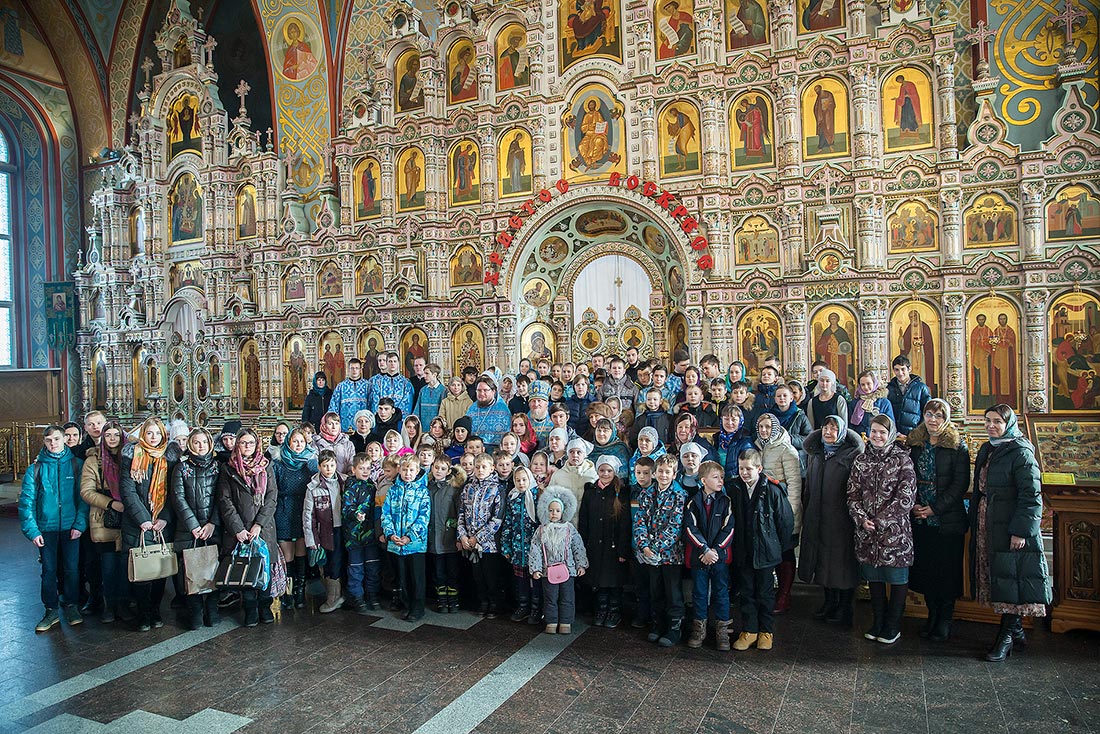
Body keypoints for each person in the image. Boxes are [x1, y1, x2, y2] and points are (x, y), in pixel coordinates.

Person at [971, 404, 1052, 662]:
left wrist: (1020, 532)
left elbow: (1031, 496)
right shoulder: (988, 448)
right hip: (989, 521)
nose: (991, 426)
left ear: (1009, 423)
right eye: (987, 421)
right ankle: (1016, 631)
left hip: (1011, 526)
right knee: (1003, 576)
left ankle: (1005, 638)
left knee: (1012, 577)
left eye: (997, 421)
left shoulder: (1021, 451)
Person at [847, 415, 916, 644]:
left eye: (882, 432)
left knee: (896, 578)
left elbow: (906, 497)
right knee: (874, 579)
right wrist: (861, 518)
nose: (877, 436)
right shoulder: (861, 460)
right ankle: (877, 622)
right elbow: (852, 494)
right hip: (867, 531)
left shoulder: (902, 459)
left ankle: (892, 625)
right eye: (874, 431)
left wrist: (881, 520)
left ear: (890, 434)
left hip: (895, 532)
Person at [906, 398, 969, 642]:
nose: (933, 420)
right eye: (929, 414)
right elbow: (907, 476)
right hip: (919, 516)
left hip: (946, 520)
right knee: (926, 569)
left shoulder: (956, 446)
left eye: (939, 415)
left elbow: (959, 484)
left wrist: (934, 509)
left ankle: (944, 619)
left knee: (946, 571)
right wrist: (913, 503)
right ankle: (931, 614)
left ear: (946, 418)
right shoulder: (915, 443)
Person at [799, 414, 864, 627]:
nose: (829, 432)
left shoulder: (851, 456)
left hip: (841, 518)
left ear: (842, 432)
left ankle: (844, 606)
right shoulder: (816, 454)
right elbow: (809, 486)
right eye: (825, 428)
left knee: (841, 563)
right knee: (822, 561)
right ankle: (829, 601)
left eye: (834, 429)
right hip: (817, 515)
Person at [20, 425, 87, 632]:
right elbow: (27, 502)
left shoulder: (76, 465)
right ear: (44, 442)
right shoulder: (35, 469)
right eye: (49, 440)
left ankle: (72, 605)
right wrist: (33, 531)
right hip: (46, 528)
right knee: (48, 571)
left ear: (64, 439)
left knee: (72, 569)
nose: (53, 443)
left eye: (57, 439)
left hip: (70, 527)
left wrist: (79, 524)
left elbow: (83, 499)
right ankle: (50, 610)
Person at [729, 449, 794, 651]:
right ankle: (749, 630)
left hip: (766, 551)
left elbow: (785, 522)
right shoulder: (734, 488)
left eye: (748, 469)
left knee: (765, 593)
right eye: (741, 468)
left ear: (759, 468)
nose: (744, 473)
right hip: (743, 550)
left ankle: (766, 631)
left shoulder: (773, 490)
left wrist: (777, 547)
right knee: (746, 591)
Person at [120, 417, 181, 631]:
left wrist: (164, 517)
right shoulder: (131, 456)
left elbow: (174, 491)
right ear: (143, 434)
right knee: (142, 569)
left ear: (164, 435)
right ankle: (143, 613)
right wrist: (143, 519)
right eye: (149, 433)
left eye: (157, 433)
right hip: (138, 523)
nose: (153, 437)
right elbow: (127, 490)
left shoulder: (170, 457)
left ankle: (155, 610)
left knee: (159, 569)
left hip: (162, 522)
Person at [218, 428, 278, 627]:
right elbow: (225, 501)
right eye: (243, 443)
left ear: (257, 444)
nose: (247, 446)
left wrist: (259, 524)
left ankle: (265, 606)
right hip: (240, 529)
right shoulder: (228, 469)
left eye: (251, 443)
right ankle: (250, 608)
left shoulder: (266, 466)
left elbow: (272, 497)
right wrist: (238, 529)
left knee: (265, 568)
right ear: (237, 445)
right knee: (245, 568)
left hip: (264, 528)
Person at [169, 427, 222, 629]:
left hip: (212, 527)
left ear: (210, 444)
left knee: (213, 568)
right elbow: (178, 498)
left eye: (204, 442)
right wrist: (193, 525)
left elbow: (222, 497)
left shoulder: (218, 467)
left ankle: (212, 609)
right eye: (197, 442)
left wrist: (212, 523)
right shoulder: (181, 468)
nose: (201, 446)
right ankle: (195, 611)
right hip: (188, 528)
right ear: (190, 444)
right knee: (190, 569)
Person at [633, 454, 688, 647]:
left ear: (674, 474)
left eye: (668, 472)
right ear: (654, 473)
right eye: (660, 471)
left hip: (671, 555)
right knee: (655, 591)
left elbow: (675, 526)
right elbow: (639, 521)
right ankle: (658, 624)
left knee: (673, 593)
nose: (663, 475)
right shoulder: (646, 494)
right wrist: (645, 547)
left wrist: (655, 547)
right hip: (650, 554)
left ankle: (674, 628)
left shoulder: (679, 495)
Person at [79, 420, 130, 623]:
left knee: (126, 566)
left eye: (116, 435)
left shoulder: (129, 456)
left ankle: (124, 604)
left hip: (128, 518)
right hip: (104, 518)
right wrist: (110, 503)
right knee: (108, 567)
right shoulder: (93, 461)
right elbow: (86, 491)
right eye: (108, 435)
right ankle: (110, 605)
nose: (112, 439)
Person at [684, 461, 735, 650]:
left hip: (719, 557)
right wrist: (704, 549)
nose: (720, 480)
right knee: (699, 593)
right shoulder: (693, 502)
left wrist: (715, 551)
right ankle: (699, 629)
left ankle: (722, 631)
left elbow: (729, 529)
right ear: (704, 480)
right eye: (716, 477)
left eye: (722, 477)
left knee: (721, 592)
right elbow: (690, 528)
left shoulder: (726, 501)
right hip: (700, 557)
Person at [755, 413, 802, 614]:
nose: (764, 430)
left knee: (785, 552)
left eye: (768, 427)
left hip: (783, 509)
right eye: (761, 427)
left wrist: (789, 513)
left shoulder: (786, 449)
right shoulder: (757, 447)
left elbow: (794, 484)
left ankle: (784, 594)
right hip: (765, 510)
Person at [578, 455, 631, 628]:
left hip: (613, 547)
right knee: (599, 580)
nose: (605, 473)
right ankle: (601, 610)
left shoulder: (621, 493)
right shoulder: (590, 492)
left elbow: (625, 524)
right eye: (602, 470)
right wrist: (583, 545)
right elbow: (584, 521)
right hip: (595, 545)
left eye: (609, 470)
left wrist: (623, 550)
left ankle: (614, 611)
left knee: (614, 582)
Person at [529, 486, 589, 635]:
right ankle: (551, 621)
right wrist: (536, 568)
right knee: (550, 597)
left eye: (557, 510)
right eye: (551, 510)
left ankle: (565, 622)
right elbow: (535, 549)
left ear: (563, 511)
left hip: (568, 569)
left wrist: (581, 565)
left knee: (567, 597)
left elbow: (578, 547)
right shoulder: (541, 530)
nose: (554, 513)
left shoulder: (569, 529)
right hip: (547, 570)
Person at [381, 455, 432, 622]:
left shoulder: (422, 491)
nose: (407, 473)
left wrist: (410, 537)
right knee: (401, 577)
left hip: (415, 544)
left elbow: (424, 517)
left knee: (416, 578)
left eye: (411, 470)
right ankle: (407, 604)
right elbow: (386, 514)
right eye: (404, 470)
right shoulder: (393, 490)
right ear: (399, 470)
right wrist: (390, 534)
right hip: (396, 543)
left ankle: (417, 608)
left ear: (417, 471)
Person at [273, 428, 318, 610]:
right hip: (284, 510)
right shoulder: (278, 463)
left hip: (304, 510)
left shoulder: (310, 463)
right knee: (287, 555)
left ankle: (300, 591)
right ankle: (287, 592)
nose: (298, 445)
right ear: (288, 442)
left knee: (301, 552)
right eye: (295, 441)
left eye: (301, 441)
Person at [458, 453, 505, 617]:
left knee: (490, 576)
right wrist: (463, 536)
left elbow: (497, 519)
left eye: (484, 467)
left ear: (492, 468)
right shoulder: (468, 487)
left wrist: (477, 538)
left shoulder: (497, 489)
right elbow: (461, 513)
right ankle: (483, 601)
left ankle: (494, 604)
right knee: (477, 576)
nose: (480, 470)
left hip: (489, 543)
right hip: (470, 542)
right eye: (477, 467)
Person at [304, 449, 346, 614]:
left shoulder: (344, 481)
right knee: (328, 564)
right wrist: (311, 539)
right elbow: (308, 516)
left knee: (341, 562)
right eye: (325, 465)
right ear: (319, 467)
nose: (329, 469)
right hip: (325, 531)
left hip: (344, 529)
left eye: (332, 465)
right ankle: (332, 597)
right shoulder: (313, 487)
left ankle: (339, 596)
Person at [501, 466, 542, 624]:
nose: (521, 483)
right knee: (521, 579)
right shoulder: (513, 497)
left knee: (536, 578)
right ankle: (523, 606)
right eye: (517, 480)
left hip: (534, 547)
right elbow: (508, 522)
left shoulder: (537, 495)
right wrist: (506, 545)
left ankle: (536, 608)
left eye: (524, 479)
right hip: (518, 547)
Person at [343, 453, 382, 613]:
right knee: (355, 567)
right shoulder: (350, 486)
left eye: (368, 468)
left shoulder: (373, 486)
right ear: (354, 470)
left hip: (371, 534)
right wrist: (355, 514)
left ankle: (373, 595)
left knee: (373, 566)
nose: (365, 471)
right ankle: (357, 596)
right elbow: (346, 508)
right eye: (361, 468)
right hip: (354, 536)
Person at [428, 456, 466, 613]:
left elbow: (460, 514)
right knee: (438, 572)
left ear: (449, 471)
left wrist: (458, 537)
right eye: (436, 467)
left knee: (452, 571)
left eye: (443, 469)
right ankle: (442, 600)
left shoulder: (454, 488)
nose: (439, 471)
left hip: (449, 537)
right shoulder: (428, 487)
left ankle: (453, 600)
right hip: (433, 537)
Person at [886, 355, 932, 438]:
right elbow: (887, 413)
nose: (900, 373)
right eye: (897, 370)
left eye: (903, 369)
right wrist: (895, 432)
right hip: (895, 435)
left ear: (909, 369)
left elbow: (927, 411)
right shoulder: (889, 389)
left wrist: (918, 431)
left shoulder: (921, 388)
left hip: (916, 434)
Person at [466, 376, 513, 451]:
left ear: (493, 391)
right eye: (479, 390)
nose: (482, 393)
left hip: (496, 451)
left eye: (485, 390)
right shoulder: (472, 409)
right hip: (474, 450)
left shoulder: (502, 409)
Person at [848, 371, 895, 437]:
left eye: (868, 384)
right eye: (863, 385)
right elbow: (850, 425)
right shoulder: (854, 403)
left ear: (874, 383)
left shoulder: (884, 403)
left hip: (878, 438)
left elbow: (890, 424)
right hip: (859, 439)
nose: (866, 387)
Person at [553, 438, 598, 508]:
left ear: (584, 454)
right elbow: (550, 497)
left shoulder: (594, 475)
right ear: (567, 454)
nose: (575, 455)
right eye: (571, 452)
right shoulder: (558, 475)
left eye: (579, 452)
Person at [328, 358, 371, 430]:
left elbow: (372, 405)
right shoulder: (341, 386)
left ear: (360, 370)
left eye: (357, 368)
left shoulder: (368, 386)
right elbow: (334, 406)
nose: (354, 370)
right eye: (352, 368)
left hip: (364, 426)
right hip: (345, 426)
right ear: (348, 370)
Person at [716, 404, 754, 476]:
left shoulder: (746, 441)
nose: (730, 423)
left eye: (734, 420)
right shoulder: (716, 438)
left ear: (740, 421)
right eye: (726, 419)